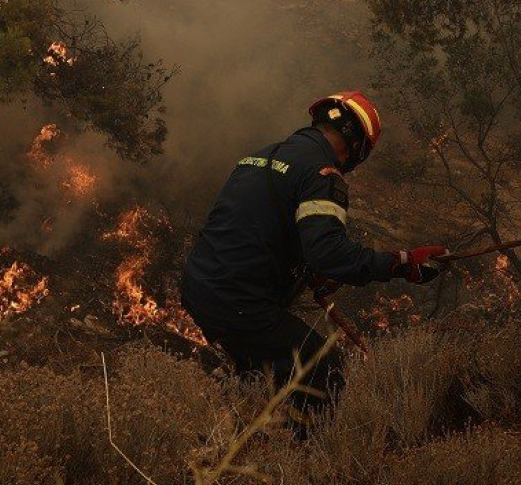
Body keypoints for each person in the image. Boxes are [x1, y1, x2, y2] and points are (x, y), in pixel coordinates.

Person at [179, 91, 446, 434]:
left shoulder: (257, 158)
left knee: (259, 377)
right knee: (322, 369)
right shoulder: (322, 174)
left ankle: (240, 446)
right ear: (357, 145)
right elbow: (329, 252)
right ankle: (302, 464)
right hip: (240, 300)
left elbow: (259, 228)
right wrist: (402, 263)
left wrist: (308, 270)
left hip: (201, 286)